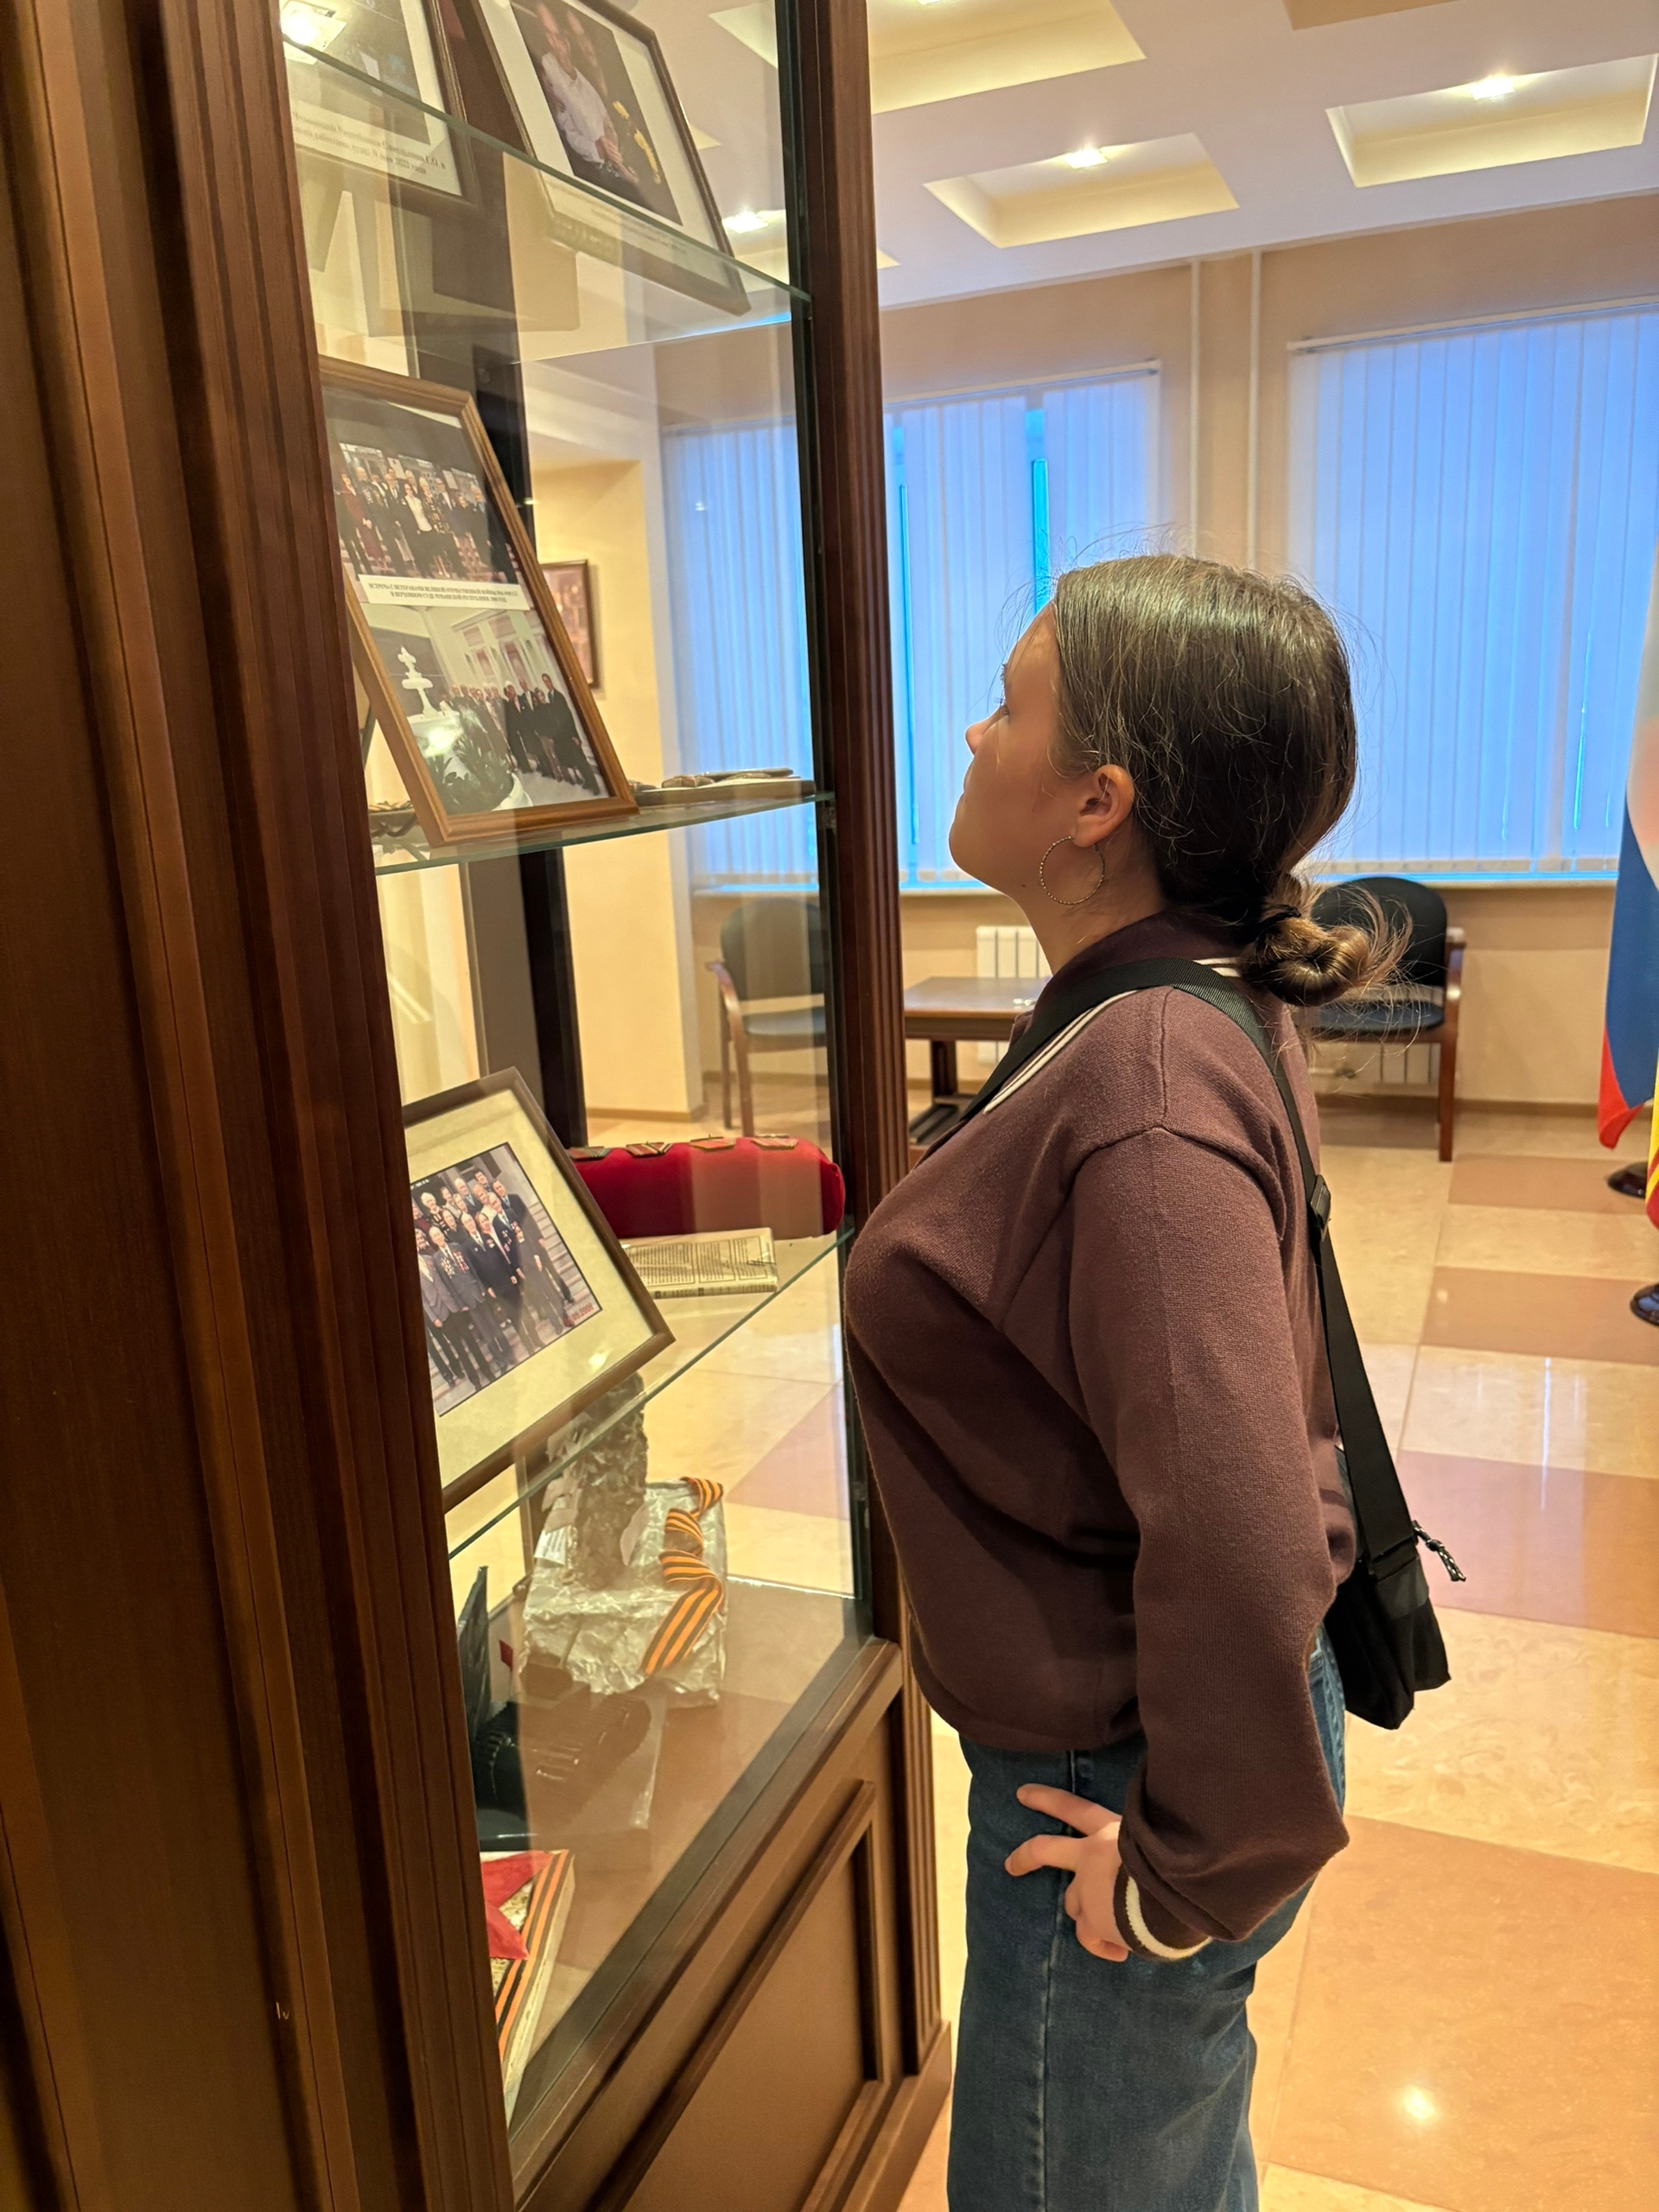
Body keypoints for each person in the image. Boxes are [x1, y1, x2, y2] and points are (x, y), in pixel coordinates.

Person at [843, 556, 1395, 2212]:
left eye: (1007, 706)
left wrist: (1181, 1874)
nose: (969, 734)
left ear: (1100, 802)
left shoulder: (1146, 1076)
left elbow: (1234, 1530)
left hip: (1125, 1773)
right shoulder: (1176, 996)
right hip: (1142, 1740)